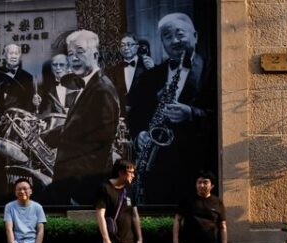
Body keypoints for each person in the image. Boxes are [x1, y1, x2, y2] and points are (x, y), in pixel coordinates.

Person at [129, 12, 216, 203]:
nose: (174, 40)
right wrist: (140, 135)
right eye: (167, 36)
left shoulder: (214, 71)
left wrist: (192, 114)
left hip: (196, 168)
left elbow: (223, 117)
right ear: (162, 42)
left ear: (195, 36)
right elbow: (135, 117)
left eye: (180, 34)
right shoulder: (149, 78)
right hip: (157, 171)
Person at [43, 29, 119, 205]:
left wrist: (79, 194)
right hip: (69, 184)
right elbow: (83, 127)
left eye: (80, 52)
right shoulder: (88, 85)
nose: (74, 58)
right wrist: (50, 135)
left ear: (95, 54)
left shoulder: (102, 89)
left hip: (81, 190)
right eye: (70, 54)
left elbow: (99, 147)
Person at [4, 178, 47, 243]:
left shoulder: (38, 207)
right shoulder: (10, 207)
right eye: (19, 189)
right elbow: (8, 228)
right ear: (15, 192)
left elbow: (40, 231)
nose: (22, 191)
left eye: (25, 189)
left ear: (31, 191)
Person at [106, 33, 154, 114]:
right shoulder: (112, 71)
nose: (126, 48)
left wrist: (152, 70)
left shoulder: (148, 66)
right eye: (122, 45)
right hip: (121, 117)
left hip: (144, 115)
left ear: (137, 46)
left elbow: (156, 91)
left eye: (129, 44)